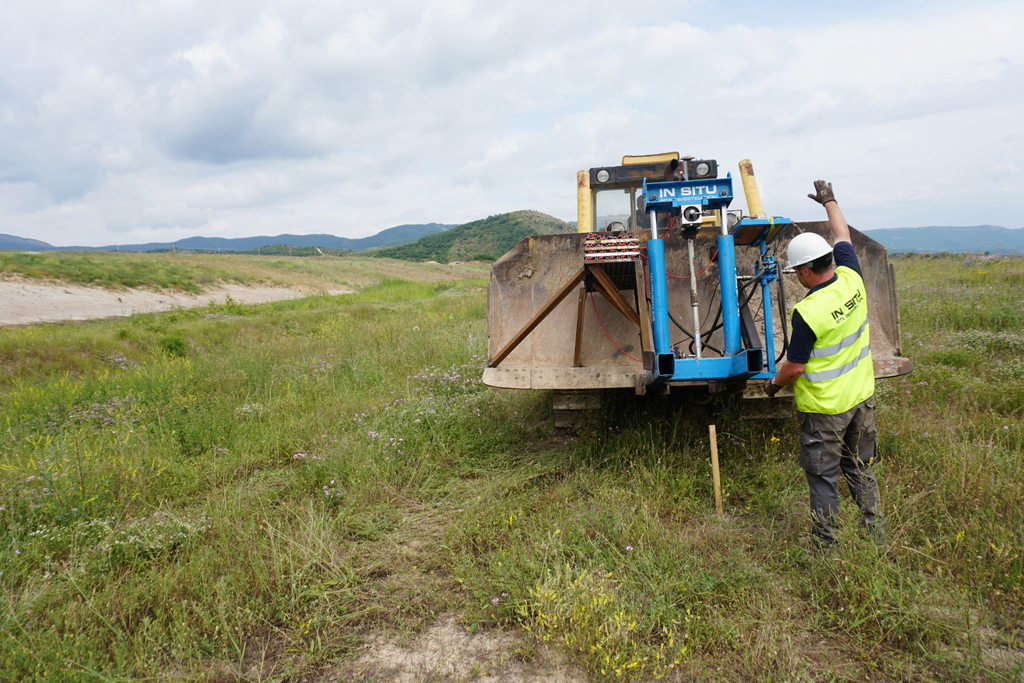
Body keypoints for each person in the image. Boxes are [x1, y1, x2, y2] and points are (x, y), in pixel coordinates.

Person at [764, 180, 885, 550]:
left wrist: (772, 385)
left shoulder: (809, 312)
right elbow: (843, 233)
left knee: (823, 478)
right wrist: (829, 201)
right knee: (861, 470)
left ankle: (826, 548)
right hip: (861, 400)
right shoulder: (852, 279)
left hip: (825, 411)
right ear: (828, 260)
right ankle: (875, 537)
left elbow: (795, 368)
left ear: (802, 272)